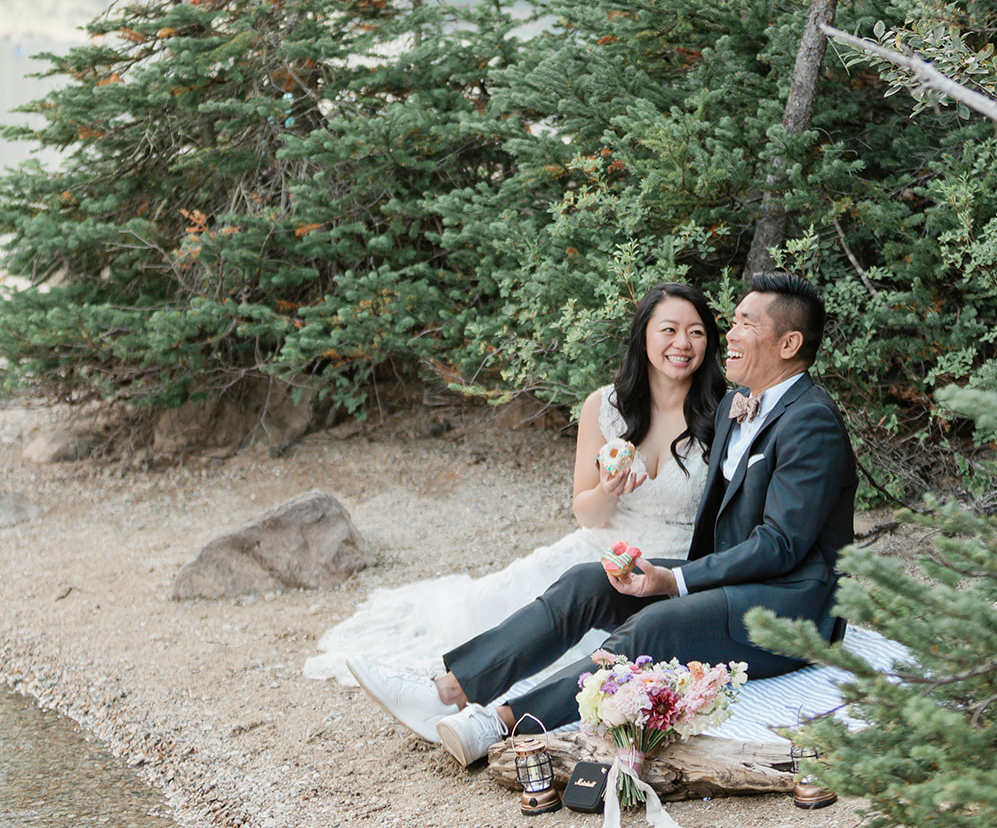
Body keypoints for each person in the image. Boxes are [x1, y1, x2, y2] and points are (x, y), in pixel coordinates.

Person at [348, 271, 858, 773]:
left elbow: (781, 544)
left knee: (656, 625)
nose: (731, 332)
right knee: (589, 580)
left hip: (792, 609)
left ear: (789, 342)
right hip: (731, 585)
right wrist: (667, 574)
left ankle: (502, 723)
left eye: (746, 322)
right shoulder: (735, 405)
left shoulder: (810, 419)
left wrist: (676, 582)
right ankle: (448, 692)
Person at [305, 281, 727, 691]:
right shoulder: (605, 406)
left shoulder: (724, 413)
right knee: (486, 605)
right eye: (668, 330)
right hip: (599, 545)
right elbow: (586, 512)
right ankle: (449, 682)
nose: (682, 344)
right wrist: (609, 490)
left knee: (592, 653)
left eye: (696, 332)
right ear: (644, 336)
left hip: (668, 564)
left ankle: (468, 691)